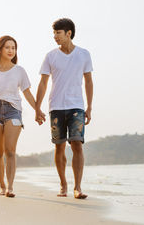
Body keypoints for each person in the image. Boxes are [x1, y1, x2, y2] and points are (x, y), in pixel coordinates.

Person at [35, 18, 93, 199]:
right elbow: (43, 83)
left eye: (58, 33)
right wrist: (37, 107)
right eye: (54, 33)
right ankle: (63, 184)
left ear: (69, 33)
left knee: (77, 144)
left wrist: (89, 107)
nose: (55, 36)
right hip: (57, 107)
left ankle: (77, 187)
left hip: (77, 106)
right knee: (59, 147)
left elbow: (89, 81)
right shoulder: (50, 56)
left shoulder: (84, 54)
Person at [0, 35, 37, 198]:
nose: (11, 50)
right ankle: (2, 185)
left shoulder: (20, 71)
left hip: (13, 110)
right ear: (0, 49)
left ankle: (10, 187)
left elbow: (27, 92)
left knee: (10, 150)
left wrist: (38, 109)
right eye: (8, 47)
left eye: (14, 48)